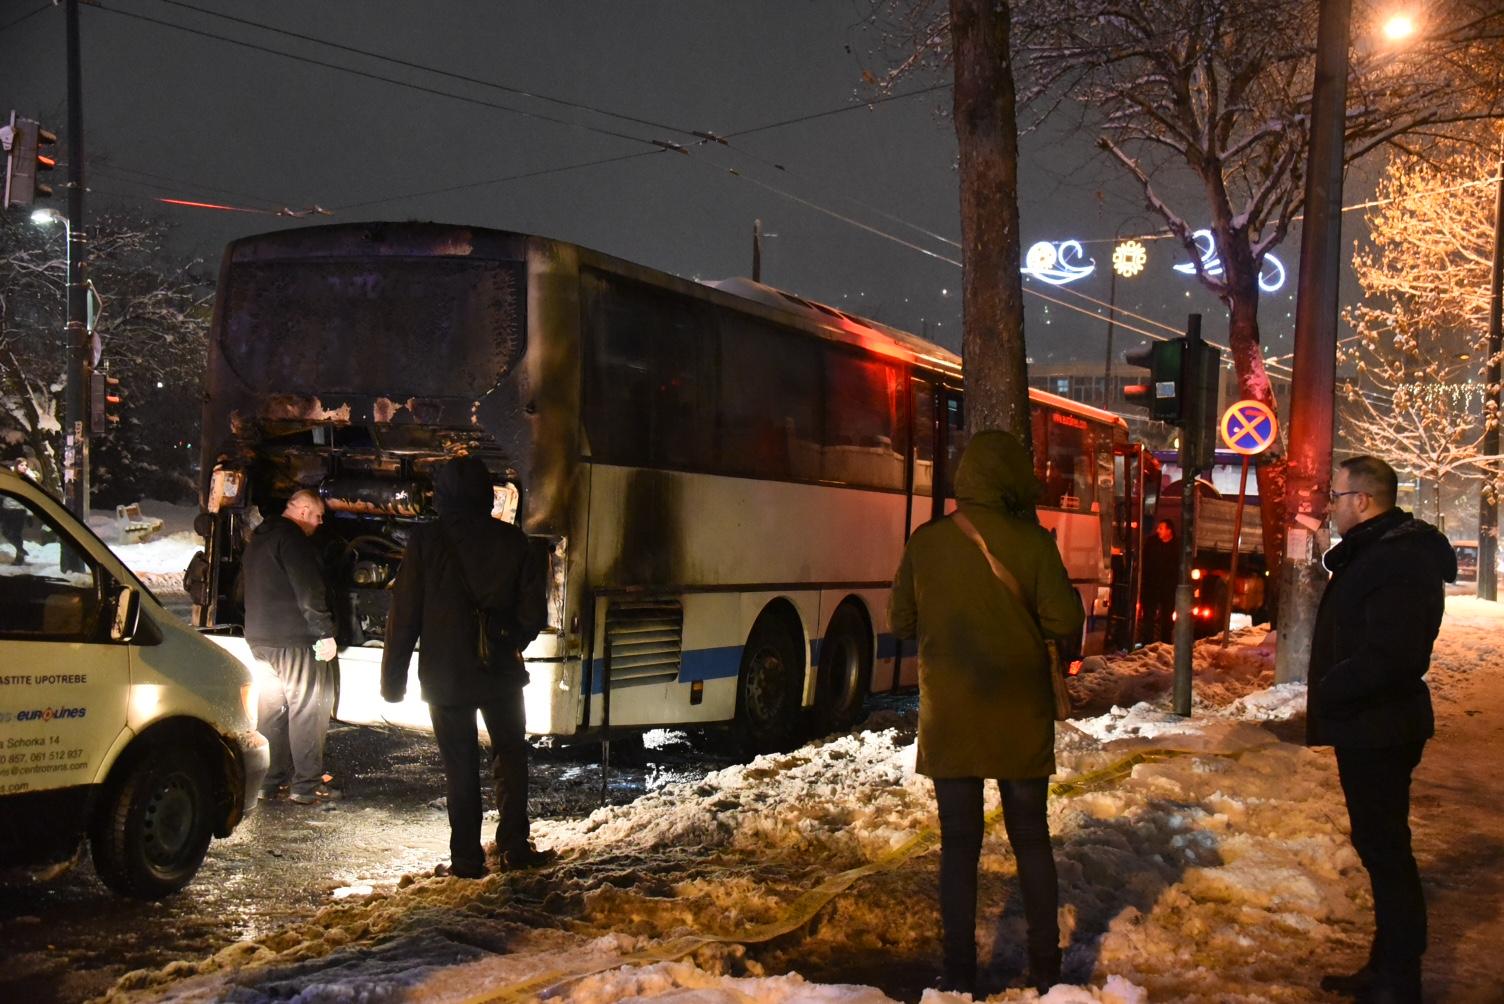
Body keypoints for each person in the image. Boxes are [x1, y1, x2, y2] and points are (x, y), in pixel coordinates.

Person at [889, 430, 1084, 995]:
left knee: (958, 845)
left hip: (951, 717)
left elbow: (900, 621)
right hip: (1018, 712)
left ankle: (956, 970)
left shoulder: (926, 543)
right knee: (1030, 836)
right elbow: (1064, 622)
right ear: (1012, 481)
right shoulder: (1033, 543)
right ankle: (1046, 966)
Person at [1309, 456, 1455, 1004]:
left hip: (1379, 723)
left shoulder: (1394, 559)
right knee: (1380, 846)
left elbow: (1393, 653)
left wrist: (1332, 687)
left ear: (1363, 501)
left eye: (1336, 495)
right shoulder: (1382, 552)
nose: (1330, 505)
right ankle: (1387, 965)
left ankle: (1398, 978)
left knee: (1388, 851)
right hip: (1372, 720)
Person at [381, 456, 550, 878]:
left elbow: (404, 616)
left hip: (445, 677)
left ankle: (467, 859)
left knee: (459, 765)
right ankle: (513, 845)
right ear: (485, 494)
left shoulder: (425, 542)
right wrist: (507, 639)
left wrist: (393, 682)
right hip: (501, 674)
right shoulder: (514, 542)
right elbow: (532, 615)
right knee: (510, 756)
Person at [242, 489, 340, 805]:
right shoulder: (294, 540)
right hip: (295, 641)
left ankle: (268, 782)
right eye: (318, 515)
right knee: (308, 709)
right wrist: (325, 632)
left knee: (270, 712)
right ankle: (307, 786)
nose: (320, 522)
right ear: (302, 511)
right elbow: (308, 590)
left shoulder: (258, 539)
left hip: (260, 640)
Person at [1139, 518, 1178, 644]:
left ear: (1169, 530)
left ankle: (1165, 644)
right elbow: (1145, 564)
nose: (1158, 531)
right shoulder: (1152, 543)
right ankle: (1147, 644)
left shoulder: (1177, 546)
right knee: (1148, 619)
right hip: (1152, 587)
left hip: (1168, 589)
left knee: (1167, 619)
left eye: (1161, 528)